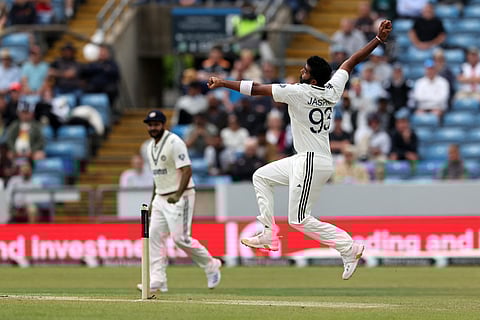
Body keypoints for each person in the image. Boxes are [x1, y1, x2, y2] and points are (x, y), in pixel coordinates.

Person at [208, 20, 393, 280]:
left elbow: (256, 89)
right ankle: (267, 232)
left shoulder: (298, 92)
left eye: (305, 71)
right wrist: (378, 40)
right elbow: (350, 63)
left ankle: (348, 247)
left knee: (298, 220)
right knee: (260, 176)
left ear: (312, 78)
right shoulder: (332, 88)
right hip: (305, 159)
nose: (301, 72)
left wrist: (223, 82)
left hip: (311, 161)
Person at [137, 110, 221, 293]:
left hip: (180, 195)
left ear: (163, 124)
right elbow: (156, 177)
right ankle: (158, 280)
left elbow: (187, 170)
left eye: (156, 124)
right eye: (150, 125)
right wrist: (152, 201)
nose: (153, 128)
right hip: (161, 196)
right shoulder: (150, 147)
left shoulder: (175, 142)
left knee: (180, 239)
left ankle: (211, 264)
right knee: (154, 237)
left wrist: (178, 194)